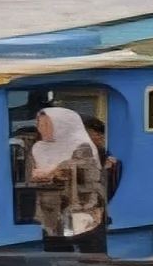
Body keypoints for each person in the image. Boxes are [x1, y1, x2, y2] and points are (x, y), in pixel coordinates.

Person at [23, 103, 111, 251]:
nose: (40, 129)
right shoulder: (37, 148)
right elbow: (31, 177)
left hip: (83, 208)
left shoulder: (82, 145)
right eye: (39, 124)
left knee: (90, 251)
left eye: (46, 124)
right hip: (49, 209)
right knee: (55, 251)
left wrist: (49, 172)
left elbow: (75, 170)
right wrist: (51, 173)